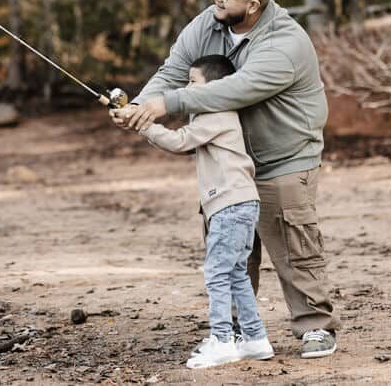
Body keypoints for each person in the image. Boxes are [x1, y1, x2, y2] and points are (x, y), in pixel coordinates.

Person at [112, 0, 340, 358]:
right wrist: (141, 106)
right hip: (228, 162)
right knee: (230, 246)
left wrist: (166, 105)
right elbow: (172, 72)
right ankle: (236, 329)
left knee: (294, 247)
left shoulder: (284, 43)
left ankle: (315, 327)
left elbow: (233, 90)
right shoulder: (208, 23)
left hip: (283, 158)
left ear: (252, 5)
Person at [117, 54, 274, 368]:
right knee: (236, 273)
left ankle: (222, 340)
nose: (187, 89)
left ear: (215, 87)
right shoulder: (210, 116)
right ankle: (255, 339)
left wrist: (144, 124)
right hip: (238, 203)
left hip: (231, 205)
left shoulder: (217, 113)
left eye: (192, 82)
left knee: (217, 273)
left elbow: (179, 142)